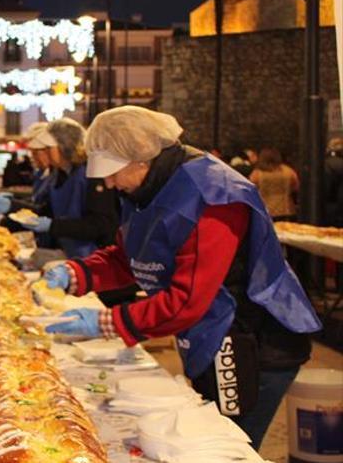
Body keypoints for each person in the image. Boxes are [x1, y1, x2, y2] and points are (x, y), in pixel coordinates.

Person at [41, 106, 321, 448]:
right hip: (210, 332)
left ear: (142, 159)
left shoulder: (213, 196)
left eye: (113, 172)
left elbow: (187, 300)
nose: (109, 183)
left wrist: (105, 322)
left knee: (224, 447)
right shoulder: (145, 187)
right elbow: (133, 254)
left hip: (254, 339)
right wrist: (78, 272)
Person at [0, 119, 118, 258]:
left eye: (49, 148)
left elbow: (101, 225)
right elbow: (47, 211)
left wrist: (52, 226)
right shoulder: (60, 175)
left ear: (66, 146)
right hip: (70, 252)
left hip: (95, 256)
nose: (46, 154)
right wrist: (12, 207)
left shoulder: (92, 175)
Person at [249, 147, 299, 222]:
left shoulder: (257, 174)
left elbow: (250, 191)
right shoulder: (288, 171)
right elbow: (296, 187)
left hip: (265, 211)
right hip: (286, 210)